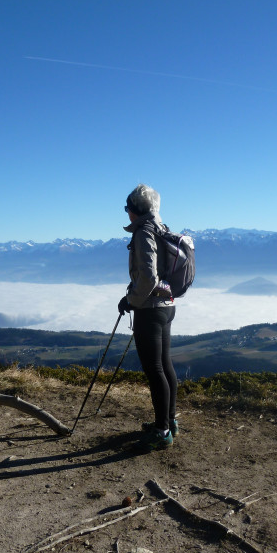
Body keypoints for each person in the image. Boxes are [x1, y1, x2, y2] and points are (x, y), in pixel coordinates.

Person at [118, 184, 179, 451]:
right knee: (165, 366)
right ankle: (169, 422)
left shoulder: (144, 233)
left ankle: (162, 431)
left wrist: (130, 300)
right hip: (166, 306)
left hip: (150, 309)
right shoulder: (161, 228)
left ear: (134, 209)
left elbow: (148, 280)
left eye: (127, 208)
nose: (126, 213)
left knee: (155, 370)